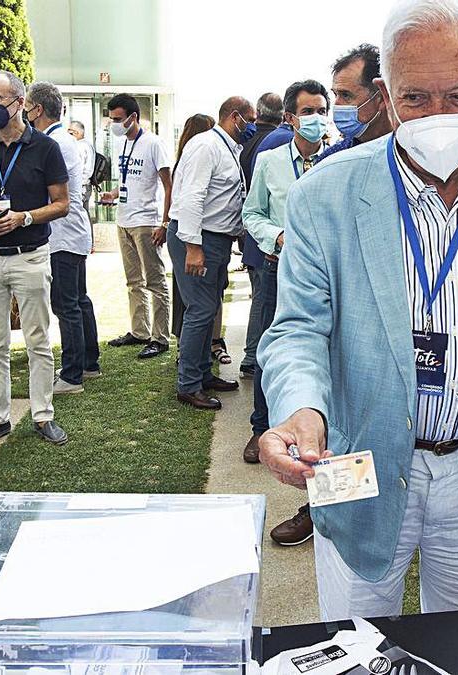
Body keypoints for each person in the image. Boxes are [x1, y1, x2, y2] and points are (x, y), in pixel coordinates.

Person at [257, 0, 458, 622]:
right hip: (356, 461)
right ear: (385, 95)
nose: (439, 117)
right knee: (353, 641)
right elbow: (297, 329)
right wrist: (299, 409)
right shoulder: (327, 190)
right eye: (416, 98)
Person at [265, 44, 400, 549]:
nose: (335, 109)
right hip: (350, 363)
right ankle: (319, 510)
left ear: (382, 96)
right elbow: (299, 322)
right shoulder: (335, 169)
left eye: (345, 95)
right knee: (346, 518)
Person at [0, 71, 69, 449]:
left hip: (30, 256)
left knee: (37, 339)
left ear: (20, 103)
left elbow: (62, 204)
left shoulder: (45, 148)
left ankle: (43, 415)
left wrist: (24, 217)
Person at [243, 80, 328, 467]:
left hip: (328, 277)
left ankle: (320, 430)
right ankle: (261, 428)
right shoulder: (270, 161)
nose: (317, 118)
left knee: (324, 353)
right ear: (291, 118)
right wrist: (277, 237)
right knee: (269, 349)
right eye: (308, 112)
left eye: (321, 110)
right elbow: (251, 214)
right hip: (277, 271)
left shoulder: (338, 161)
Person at [167, 97, 256, 410]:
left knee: (209, 307)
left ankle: (203, 373)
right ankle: (188, 384)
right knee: (200, 309)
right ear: (235, 117)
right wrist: (193, 246)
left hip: (215, 239)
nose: (253, 126)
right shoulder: (207, 145)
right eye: (251, 119)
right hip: (199, 238)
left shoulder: (227, 148)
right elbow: (192, 197)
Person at [24, 81, 100, 394]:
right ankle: (88, 363)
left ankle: (72, 374)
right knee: (78, 301)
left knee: (66, 304)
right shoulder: (61, 139)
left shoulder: (52, 143)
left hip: (62, 236)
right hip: (70, 233)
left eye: (27, 107)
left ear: (37, 109)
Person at [101, 93, 173, 359]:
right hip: (124, 219)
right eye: (112, 119)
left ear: (134, 117)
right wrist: (113, 194)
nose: (114, 124)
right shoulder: (121, 144)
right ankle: (139, 331)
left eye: (118, 119)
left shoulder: (154, 144)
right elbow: (128, 181)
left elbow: (168, 186)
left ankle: (160, 337)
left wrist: (164, 223)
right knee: (133, 281)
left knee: (155, 281)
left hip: (147, 222)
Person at [238, 93, 283, 382]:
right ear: (286, 114)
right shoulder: (277, 144)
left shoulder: (250, 140)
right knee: (264, 302)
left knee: (260, 299)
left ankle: (254, 355)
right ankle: (254, 356)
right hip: (270, 242)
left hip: (258, 239)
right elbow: (256, 206)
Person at [325, 44, 393, 161]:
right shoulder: (331, 159)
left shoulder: (413, 156)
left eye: (346, 95)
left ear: (382, 97)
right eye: (335, 94)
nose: (337, 105)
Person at [67, 120, 96, 208]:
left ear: (77, 133)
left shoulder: (80, 146)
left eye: (70, 132)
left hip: (80, 186)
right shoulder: (88, 144)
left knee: (79, 214)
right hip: (85, 185)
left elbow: (78, 168)